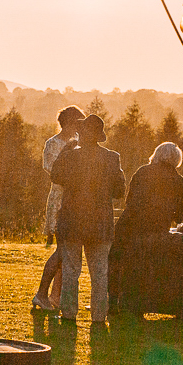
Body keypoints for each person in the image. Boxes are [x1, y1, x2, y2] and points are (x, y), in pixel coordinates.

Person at [48, 113, 124, 326]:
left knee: (72, 270)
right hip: (101, 222)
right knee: (100, 272)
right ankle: (99, 316)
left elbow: (55, 176)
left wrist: (65, 150)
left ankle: (69, 313)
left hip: (72, 220)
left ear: (83, 134)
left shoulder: (70, 156)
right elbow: (119, 191)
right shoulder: (112, 158)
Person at [110, 141, 183, 308]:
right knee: (145, 265)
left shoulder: (143, 172)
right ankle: (136, 302)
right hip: (157, 229)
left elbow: (130, 199)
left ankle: (112, 298)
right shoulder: (179, 181)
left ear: (157, 154)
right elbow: (182, 211)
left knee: (117, 261)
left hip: (130, 225)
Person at [32, 106, 84, 311]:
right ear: (69, 123)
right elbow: (53, 170)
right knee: (63, 250)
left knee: (67, 252)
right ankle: (42, 293)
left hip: (77, 199)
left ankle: (55, 296)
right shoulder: (53, 144)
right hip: (61, 199)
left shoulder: (81, 144)